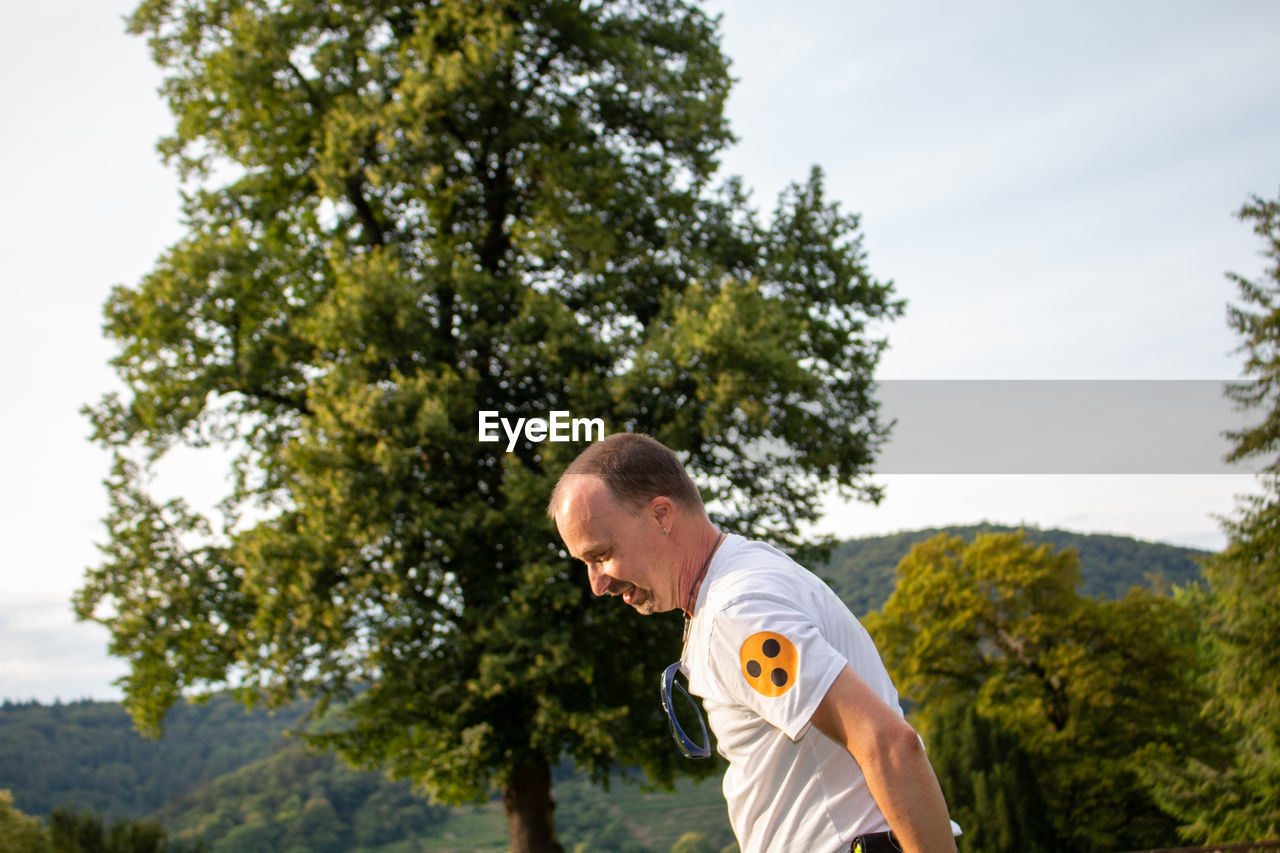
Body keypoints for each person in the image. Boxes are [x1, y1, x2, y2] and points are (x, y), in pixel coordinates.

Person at [547, 433, 959, 853]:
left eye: (601, 555)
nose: (597, 584)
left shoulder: (737, 611)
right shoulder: (743, 573)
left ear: (661, 515)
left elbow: (889, 744)